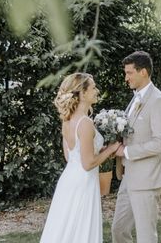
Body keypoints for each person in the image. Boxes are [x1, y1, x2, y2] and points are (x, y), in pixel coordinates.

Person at [40, 72, 120, 243]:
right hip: (83, 182)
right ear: (82, 93)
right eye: (93, 87)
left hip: (69, 180)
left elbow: (70, 156)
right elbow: (88, 163)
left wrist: (101, 150)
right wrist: (111, 149)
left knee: (66, 228)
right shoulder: (85, 123)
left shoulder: (67, 120)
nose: (96, 90)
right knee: (81, 230)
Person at [112, 51, 161, 243]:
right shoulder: (136, 97)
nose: (126, 77)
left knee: (146, 236)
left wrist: (127, 151)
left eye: (129, 73)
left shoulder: (158, 100)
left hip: (146, 178)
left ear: (143, 72)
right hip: (128, 176)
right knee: (118, 230)